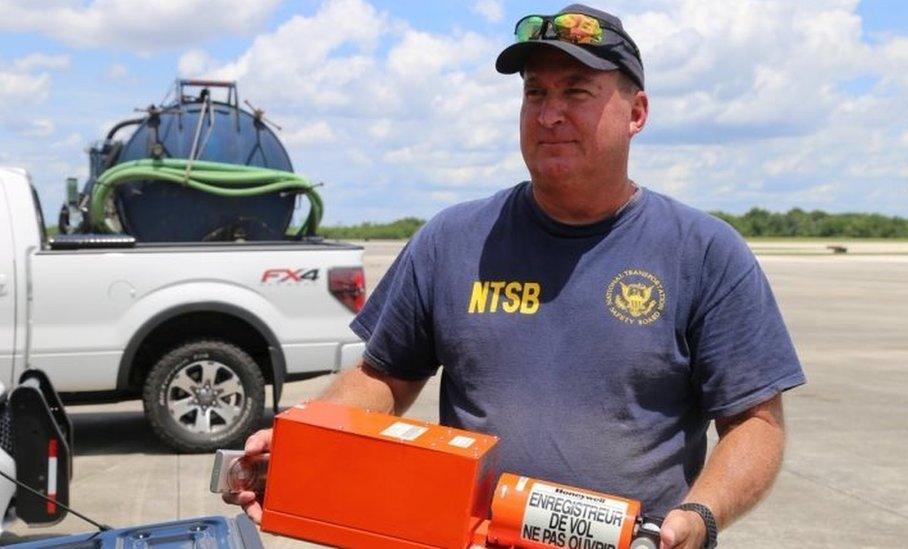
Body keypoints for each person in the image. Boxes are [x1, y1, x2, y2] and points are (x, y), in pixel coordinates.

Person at [227, 5, 806, 548]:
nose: (550, 114)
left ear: (636, 113)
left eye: (577, 92)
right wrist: (311, 443)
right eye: (536, 93)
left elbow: (755, 423)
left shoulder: (704, 253)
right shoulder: (452, 240)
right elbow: (385, 376)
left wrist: (697, 519)